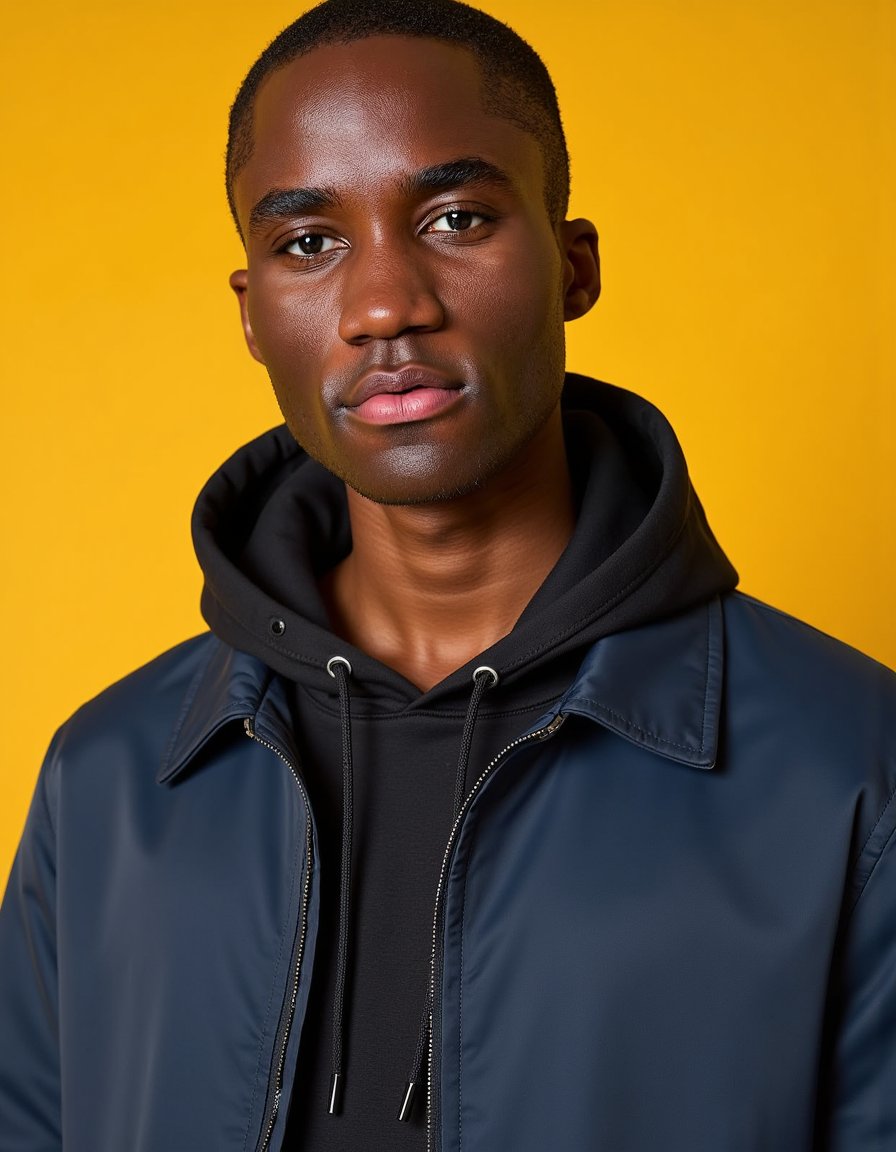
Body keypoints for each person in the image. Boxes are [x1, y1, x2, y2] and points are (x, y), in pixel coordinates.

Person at [1, 0, 894, 1148]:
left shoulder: (850, 769)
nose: (384, 306)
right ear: (251, 314)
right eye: (307, 243)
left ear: (573, 267)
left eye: (457, 216)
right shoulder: (109, 783)